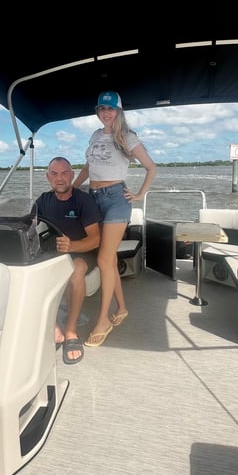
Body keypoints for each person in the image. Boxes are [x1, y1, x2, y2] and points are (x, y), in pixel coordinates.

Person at [73, 90, 156, 347]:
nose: (105, 113)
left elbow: (151, 167)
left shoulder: (127, 137)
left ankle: (103, 321)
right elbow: (89, 167)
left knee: (103, 259)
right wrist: (72, 189)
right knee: (108, 260)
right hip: (93, 198)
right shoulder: (95, 135)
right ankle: (121, 308)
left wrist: (140, 194)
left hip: (116, 200)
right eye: (101, 108)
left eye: (110, 108)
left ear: (118, 111)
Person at [35, 156, 102, 365]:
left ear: (72, 176)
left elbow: (95, 239)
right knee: (32, 269)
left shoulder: (84, 201)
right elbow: (27, 224)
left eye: (64, 173)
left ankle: (71, 330)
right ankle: (54, 325)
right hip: (55, 252)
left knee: (76, 269)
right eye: (54, 174)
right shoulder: (43, 200)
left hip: (83, 250)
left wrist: (71, 246)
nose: (60, 178)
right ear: (48, 177)